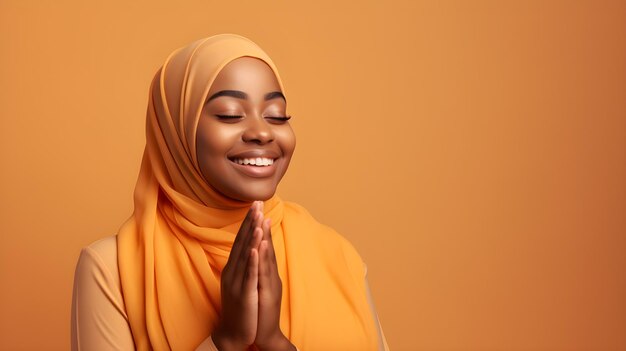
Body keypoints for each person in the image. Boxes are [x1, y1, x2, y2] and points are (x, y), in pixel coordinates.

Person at [71, 34, 389, 351]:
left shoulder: (338, 259)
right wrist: (227, 340)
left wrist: (275, 345)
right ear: (175, 131)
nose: (262, 132)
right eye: (229, 114)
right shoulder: (114, 268)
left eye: (277, 116)